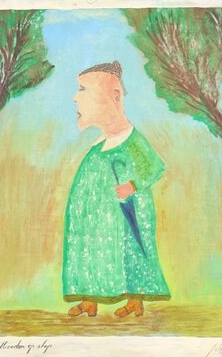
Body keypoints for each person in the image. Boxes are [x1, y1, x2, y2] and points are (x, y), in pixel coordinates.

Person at [62, 61, 170, 317]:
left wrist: (132, 186)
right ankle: (89, 299)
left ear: (114, 95)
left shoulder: (131, 140)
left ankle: (135, 301)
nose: (75, 97)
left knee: (131, 257)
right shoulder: (100, 145)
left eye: (83, 89)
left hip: (125, 218)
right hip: (95, 223)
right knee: (90, 256)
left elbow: (154, 166)